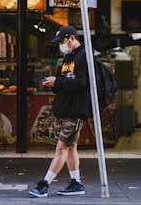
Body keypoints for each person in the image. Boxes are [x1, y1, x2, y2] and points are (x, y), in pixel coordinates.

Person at [29, 26, 91, 197]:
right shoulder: (68, 58)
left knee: (61, 148)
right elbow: (64, 83)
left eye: (62, 41)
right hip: (65, 108)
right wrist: (54, 83)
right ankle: (76, 183)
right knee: (70, 148)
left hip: (76, 110)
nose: (61, 45)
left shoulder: (84, 55)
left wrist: (57, 82)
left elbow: (82, 84)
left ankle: (44, 184)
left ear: (71, 38)